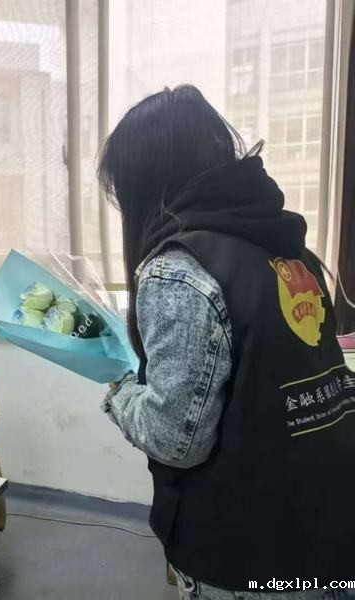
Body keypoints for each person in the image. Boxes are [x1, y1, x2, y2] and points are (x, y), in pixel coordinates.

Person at [97, 85, 355, 599]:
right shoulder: (290, 253)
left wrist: (118, 393)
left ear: (145, 184)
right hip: (329, 523)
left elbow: (177, 440)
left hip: (247, 548)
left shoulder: (177, 270)